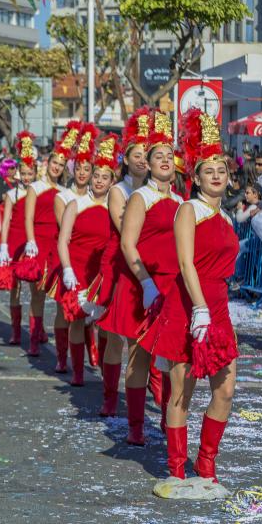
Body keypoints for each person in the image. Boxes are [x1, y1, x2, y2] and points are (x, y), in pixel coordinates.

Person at [141, 109, 238, 498]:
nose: (216, 175)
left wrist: (212, 310)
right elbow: (185, 261)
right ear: (195, 178)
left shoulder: (228, 219)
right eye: (208, 169)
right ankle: (177, 468)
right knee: (181, 390)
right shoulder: (188, 209)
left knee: (226, 389)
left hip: (219, 309)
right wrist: (198, 308)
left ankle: (207, 462)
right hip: (187, 307)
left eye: (222, 170)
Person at [97, 110, 182, 445]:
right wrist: (146, 283)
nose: (164, 160)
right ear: (146, 163)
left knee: (170, 355)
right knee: (139, 354)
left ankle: (165, 417)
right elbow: (127, 242)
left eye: (169, 156)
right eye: (156, 156)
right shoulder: (138, 196)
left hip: (171, 287)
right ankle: (135, 424)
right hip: (139, 284)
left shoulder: (179, 201)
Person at [88, 107, 153, 418]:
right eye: (136, 154)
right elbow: (124, 226)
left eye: (146, 153)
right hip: (121, 268)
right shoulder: (118, 190)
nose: (142, 159)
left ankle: (145, 397)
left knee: (144, 340)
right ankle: (111, 396)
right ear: (126, 159)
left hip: (151, 268)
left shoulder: (159, 190)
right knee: (117, 339)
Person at [56, 133, 117, 387]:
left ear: (112, 180)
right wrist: (68, 269)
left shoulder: (117, 206)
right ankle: (78, 371)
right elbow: (63, 240)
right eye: (96, 176)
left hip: (103, 273)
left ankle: (104, 367)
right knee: (77, 320)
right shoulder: (75, 203)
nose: (99, 181)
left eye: (105, 177)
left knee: (105, 323)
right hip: (79, 270)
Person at [21, 124, 73, 356]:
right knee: (37, 294)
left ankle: (48, 334)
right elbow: (28, 216)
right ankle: (34, 337)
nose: (57, 167)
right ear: (48, 163)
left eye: (61, 165)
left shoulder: (64, 191)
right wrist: (30, 242)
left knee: (59, 295)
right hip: (39, 244)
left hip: (57, 244)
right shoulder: (35, 187)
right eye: (54, 163)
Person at [51, 122, 97, 372]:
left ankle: (92, 351)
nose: (82, 173)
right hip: (69, 257)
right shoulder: (64, 197)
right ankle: (62, 356)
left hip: (94, 261)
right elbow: (66, 232)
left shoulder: (100, 196)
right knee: (66, 311)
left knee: (93, 312)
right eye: (78, 168)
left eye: (87, 169)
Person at [0, 132, 38, 345]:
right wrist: (3, 246)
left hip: (31, 242)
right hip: (14, 241)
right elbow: (5, 222)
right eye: (24, 173)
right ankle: (15, 330)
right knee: (15, 287)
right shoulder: (11, 194)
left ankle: (35, 330)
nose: (27, 176)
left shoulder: (39, 193)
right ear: (18, 174)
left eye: (30, 173)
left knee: (34, 287)